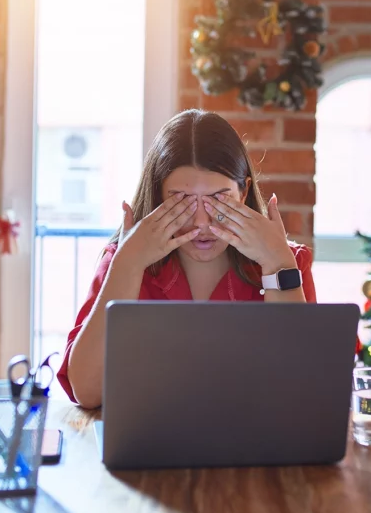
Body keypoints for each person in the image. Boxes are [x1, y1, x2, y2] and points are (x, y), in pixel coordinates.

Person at [57, 110, 316, 408]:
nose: (202, 224)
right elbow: (87, 392)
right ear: (158, 197)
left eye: (219, 200)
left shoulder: (288, 262)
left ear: (243, 192)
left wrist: (277, 265)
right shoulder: (124, 260)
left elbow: (303, 390)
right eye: (181, 202)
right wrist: (127, 264)